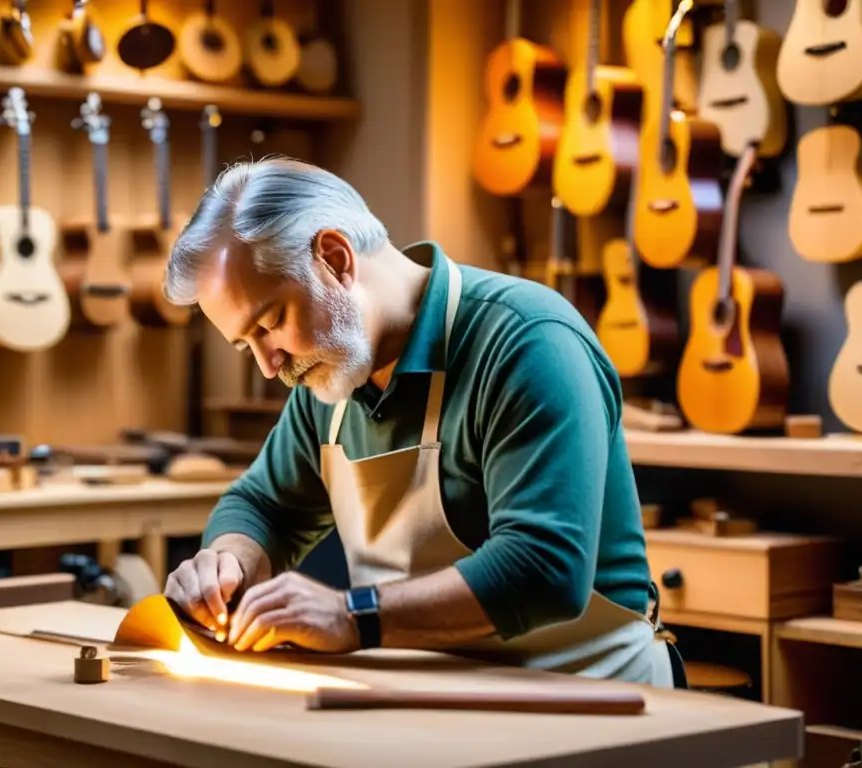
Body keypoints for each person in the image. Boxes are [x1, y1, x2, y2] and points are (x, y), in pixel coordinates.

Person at [161, 156, 683, 687]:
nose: (270, 366)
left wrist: (351, 616)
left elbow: (543, 569)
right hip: (434, 696)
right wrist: (227, 563)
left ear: (336, 259)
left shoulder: (528, 341)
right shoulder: (332, 373)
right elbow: (264, 505)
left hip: (595, 700)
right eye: (245, 346)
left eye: (270, 324)